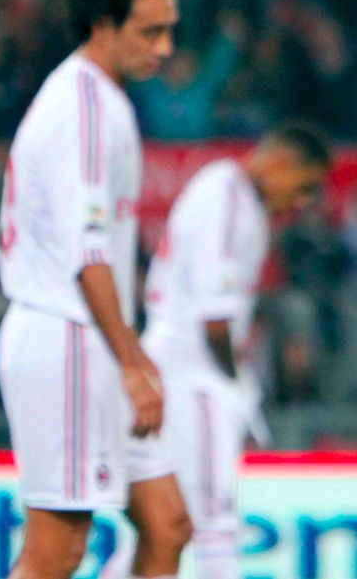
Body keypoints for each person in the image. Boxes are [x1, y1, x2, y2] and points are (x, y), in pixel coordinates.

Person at [0, 0, 192, 579]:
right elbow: (88, 253)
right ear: (103, 26)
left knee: (167, 523)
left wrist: (130, 353)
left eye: (169, 31)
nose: (164, 48)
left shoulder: (104, 100)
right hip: (67, 334)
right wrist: (132, 362)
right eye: (149, 32)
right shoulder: (81, 104)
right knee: (57, 551)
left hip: (96, 337)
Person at [140, 123, 330, 578]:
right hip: (192, 372)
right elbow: (215, 320)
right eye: (302, 186)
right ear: (279, 162)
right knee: (214, 520)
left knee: (165, 530)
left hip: (177, 368)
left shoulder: (236, 198)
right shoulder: (227, 197)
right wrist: (233, 380)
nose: (301, 202)